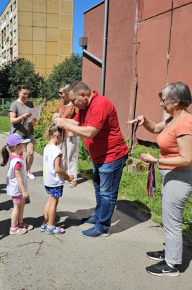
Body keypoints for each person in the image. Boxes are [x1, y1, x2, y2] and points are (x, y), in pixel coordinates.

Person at [127, 82, 192, 277]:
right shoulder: (173, 119)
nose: (161, 104)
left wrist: (156, 159)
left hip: (179, 179)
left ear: (177, 100)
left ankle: (171, 265)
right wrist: (143, 119)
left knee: (172, 222)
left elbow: (187, 158)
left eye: (163, 100)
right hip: (171, 176)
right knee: (168, 219)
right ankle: (171, 253)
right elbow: (155, 128)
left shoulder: (185, 122)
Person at [53, 81, 128, 238]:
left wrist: (65, 125)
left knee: (107, 193)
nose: (72, 104)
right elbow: (76, 122)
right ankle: (98, 217)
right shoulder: (84, 106)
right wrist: (62, 119)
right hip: (99, 157)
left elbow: (90, 132)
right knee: (99, 189)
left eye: (73, 100)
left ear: (83, 95)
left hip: (112, 156)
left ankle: (102, 227)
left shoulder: (100, 105)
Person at [41, 125, 74, 234]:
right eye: (62, 137)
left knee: (49, 201)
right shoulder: (57, 151)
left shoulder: (46, 148)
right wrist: (68, 177)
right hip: (55, 181)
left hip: (47, 180)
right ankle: (50, 227)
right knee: (54, 203)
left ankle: (44, 223)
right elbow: (57, 168)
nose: (63, 139)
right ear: (57, 136)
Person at [1, 133, 34, 235]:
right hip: (17, 188)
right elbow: (18, 177)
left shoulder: (15, 155)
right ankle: (13, 228)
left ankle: (20, 223)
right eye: (23, 144)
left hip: (18, 188)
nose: (25, 145)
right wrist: (24, 191)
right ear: (16, 146)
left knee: (21, 205)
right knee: (16, 207)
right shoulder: (17, 161)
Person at [9, 85, 38, 180]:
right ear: (19, 92)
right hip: (18, 133)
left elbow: (33, 117)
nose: (26, 96)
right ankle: (18, 172)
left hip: (29, 130)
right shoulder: (14, 104)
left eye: (27, 94)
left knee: (30, 153)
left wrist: (34, 120)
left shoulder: (30, 104)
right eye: (24, 94)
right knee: (19, 153)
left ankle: (27, 171)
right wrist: (22, 116)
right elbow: (12, 120)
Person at [56, 84, 79, 188]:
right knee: (61, 155)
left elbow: (79, 119)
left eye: (61, 93)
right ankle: (64, 175)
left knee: (71, 156)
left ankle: (73, 178)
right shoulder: (61, 103)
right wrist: (55, 116)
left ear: (67, 92)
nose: (60, 95)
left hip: (71, 133)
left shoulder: (74, 104)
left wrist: (73, 130)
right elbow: (57, 113)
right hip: (60, 133)